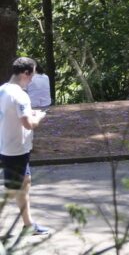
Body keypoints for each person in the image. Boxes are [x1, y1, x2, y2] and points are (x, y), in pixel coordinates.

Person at [0, 57, 50, 236]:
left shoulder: (3, 90)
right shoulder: (21, 95)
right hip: (15, 149)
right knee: (12, 191)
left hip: (9, 146)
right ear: (25, 73)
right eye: (33, 75)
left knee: (24, 184)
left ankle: (28, 225)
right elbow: (29, 124)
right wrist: (39, 117)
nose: (32, 79)